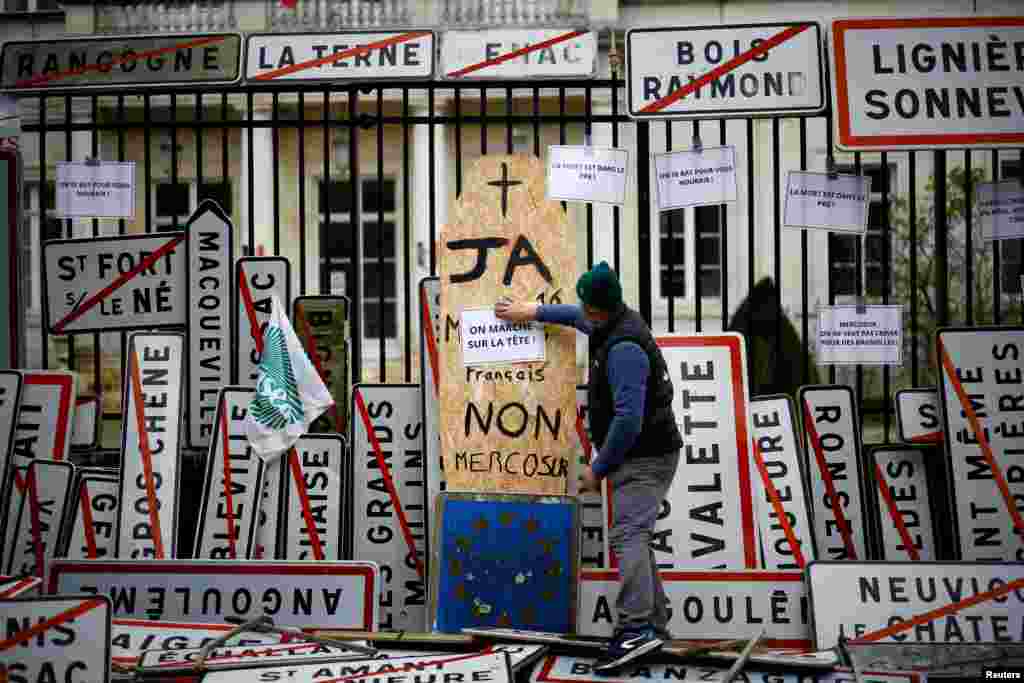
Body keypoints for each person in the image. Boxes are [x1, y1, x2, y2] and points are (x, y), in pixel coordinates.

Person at [495, 261, 682, 673]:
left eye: (586, 307)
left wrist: (597, 469)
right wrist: (532, 311)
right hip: (641, 454)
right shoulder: (611, 321)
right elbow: (573, 316)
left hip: (646, 457)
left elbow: (629, 420)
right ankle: (653, 624)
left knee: (628, 534)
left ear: (599, 308)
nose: (582, 312)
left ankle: (636, 629)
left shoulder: (624, 348)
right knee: (635, 533)